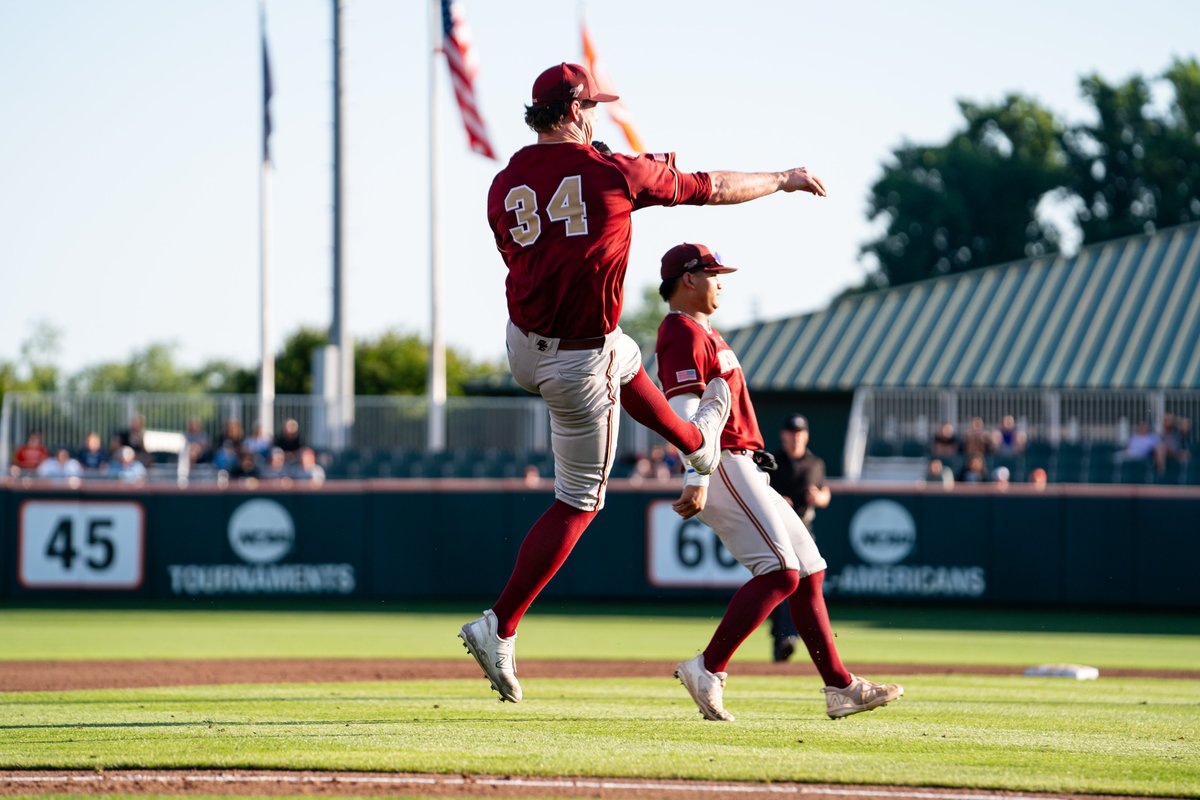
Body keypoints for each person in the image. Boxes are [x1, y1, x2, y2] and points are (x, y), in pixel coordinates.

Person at [458, 61, 829, 706]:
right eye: (591, 105)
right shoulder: (613, 172)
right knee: (580, 500)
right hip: (576, 361)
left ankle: (695, 441)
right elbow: (710, 187)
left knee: (625, 353)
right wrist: (784, 180)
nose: (597, 113)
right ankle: (500, 625)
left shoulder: (504, 179)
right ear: (575, 111)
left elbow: (526, 248)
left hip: (523, 344)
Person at [654, 242, 902, 720]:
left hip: (742, 461)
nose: (721, 281)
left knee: (810, 570)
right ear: (688, 279)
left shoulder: (704, 331)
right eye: (713, 273)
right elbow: (685, 415)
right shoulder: (681, 332)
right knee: (781, 572)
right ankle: (708, 667)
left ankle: (839, 686)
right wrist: (696, 472)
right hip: (723, 461)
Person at [765, 413, 831, 663]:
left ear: (806, 435)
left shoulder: (815, 463)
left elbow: (825, 492)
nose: (796, 437)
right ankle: (782, 637)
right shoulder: (772, 462)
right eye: (792, 432)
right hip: (776, 530)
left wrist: (820, 498)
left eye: (800, 433)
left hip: (804, 530)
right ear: (783, 435)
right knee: (782, 583)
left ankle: (792, 636)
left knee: (808, 584)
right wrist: (775, 500)